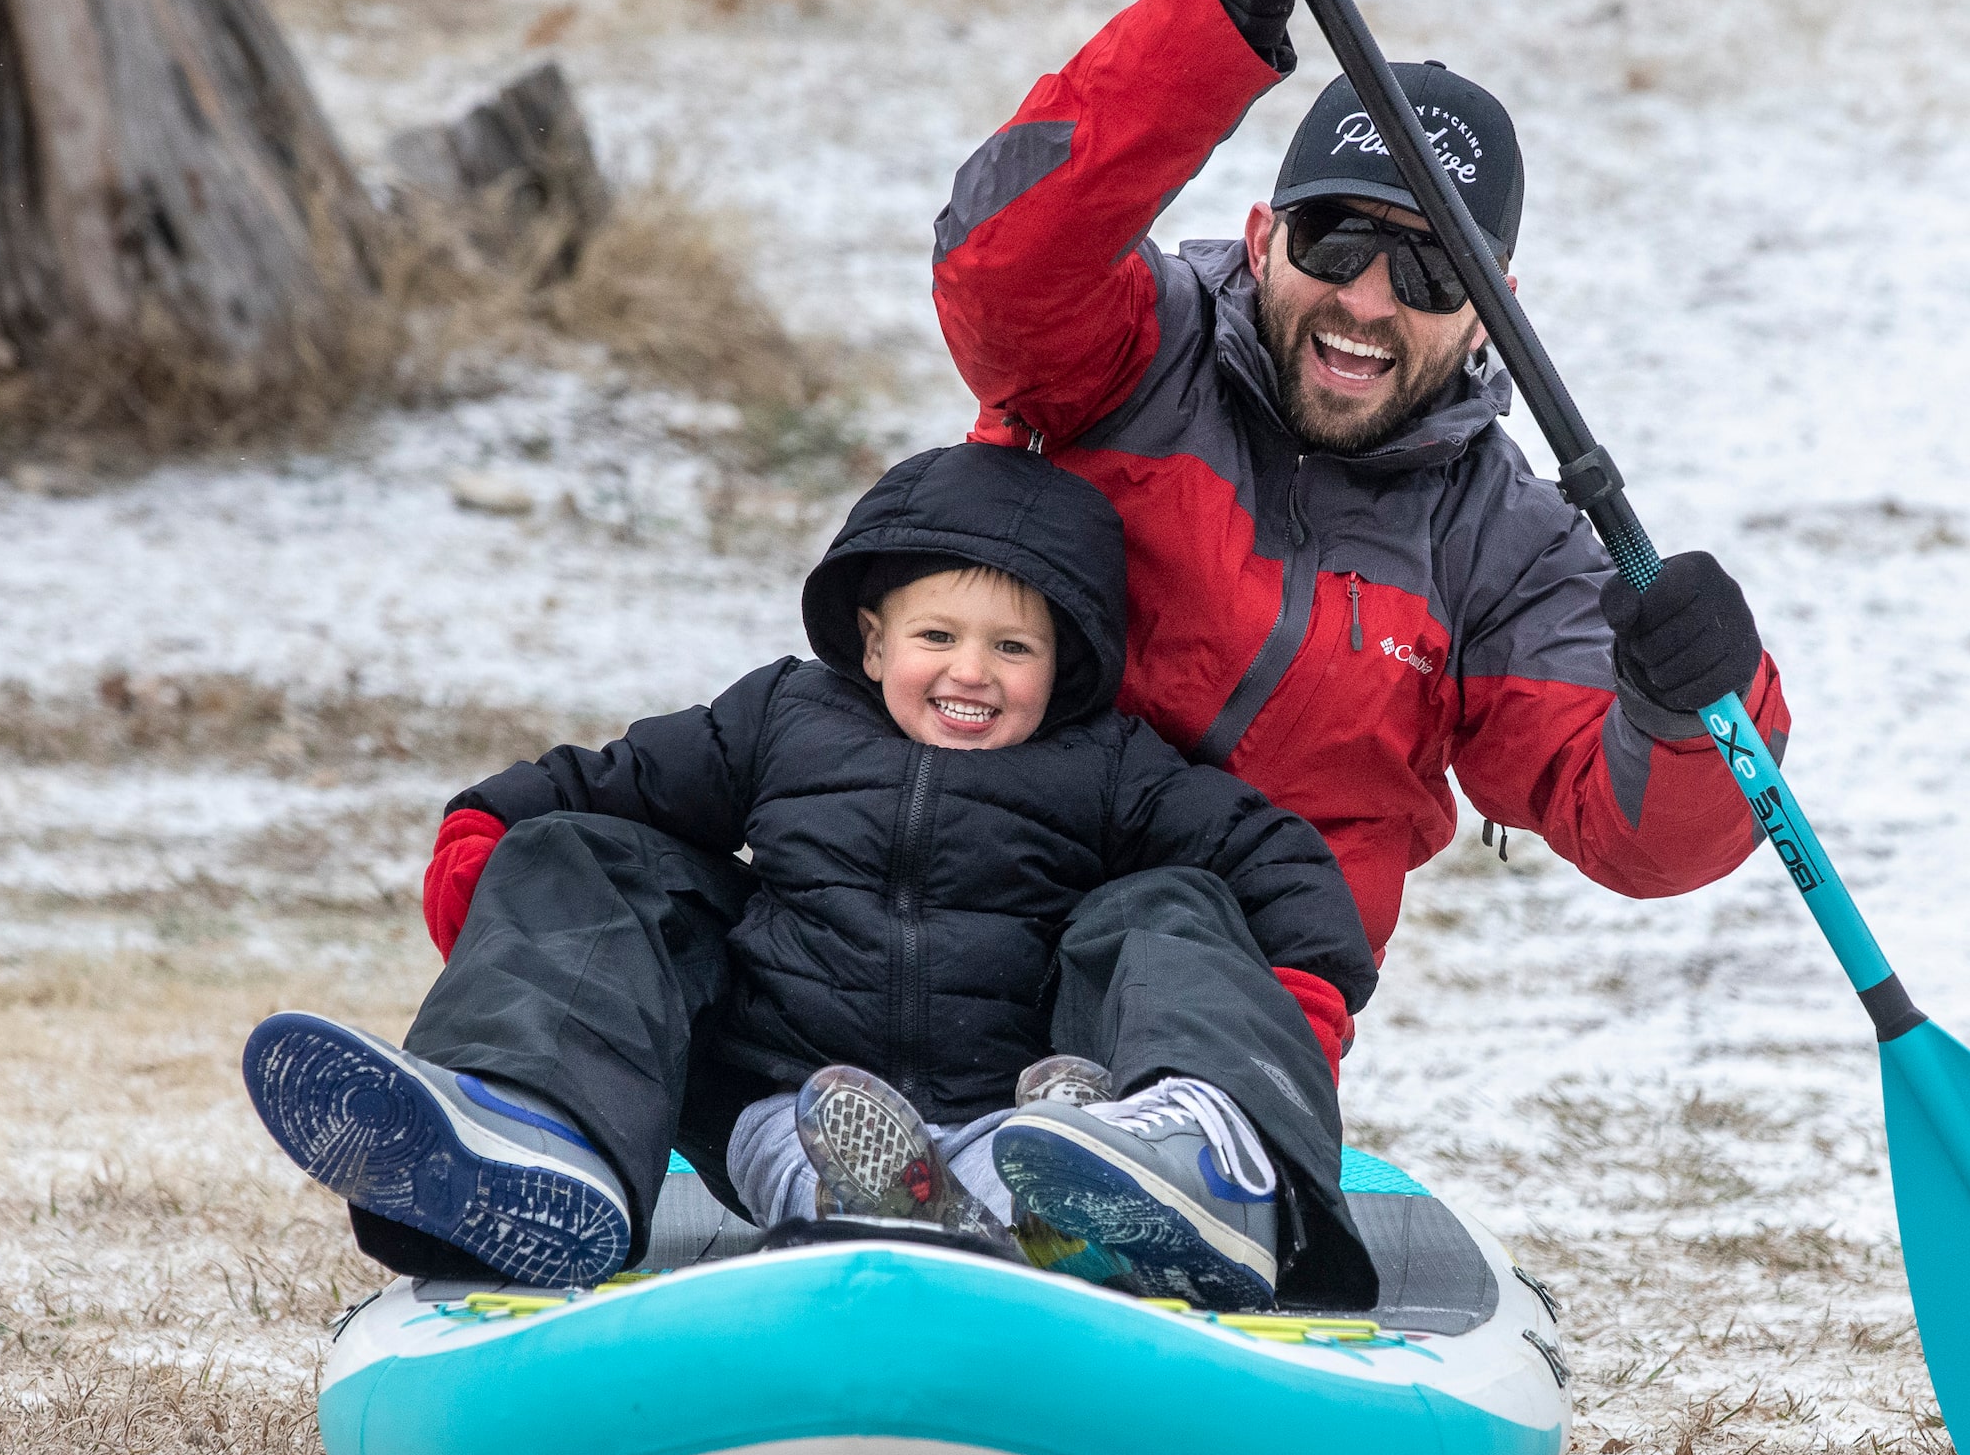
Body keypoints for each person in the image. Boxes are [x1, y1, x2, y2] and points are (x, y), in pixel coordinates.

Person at [932, 0, 1793, 971]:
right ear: (1259, 238)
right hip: (955, 912)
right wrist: (1213, 16)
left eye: (1435, 270)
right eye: (1334, 240)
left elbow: (1640, 834)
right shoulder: (1125, 353)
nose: (1370, 302)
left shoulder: (1505, 552)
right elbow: (998, 263)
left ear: (1495, 311)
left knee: (1170, 982)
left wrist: (1688, 715)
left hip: (1226, 1010)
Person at [242, 444, 1379, 1311]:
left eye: (1013, 648)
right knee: (596, 854)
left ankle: (1186, 1164)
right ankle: (532, 1131)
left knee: (1165, 906)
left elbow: (1272, 861)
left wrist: (1300, 1006)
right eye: (937, 636)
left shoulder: (1110, 767)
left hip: (1013, 1108)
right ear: (875, 641)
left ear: (1066, 663)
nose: (968, 672)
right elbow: (605, 784)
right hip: (784, 1084)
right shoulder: (784, 716)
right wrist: (493, 862)